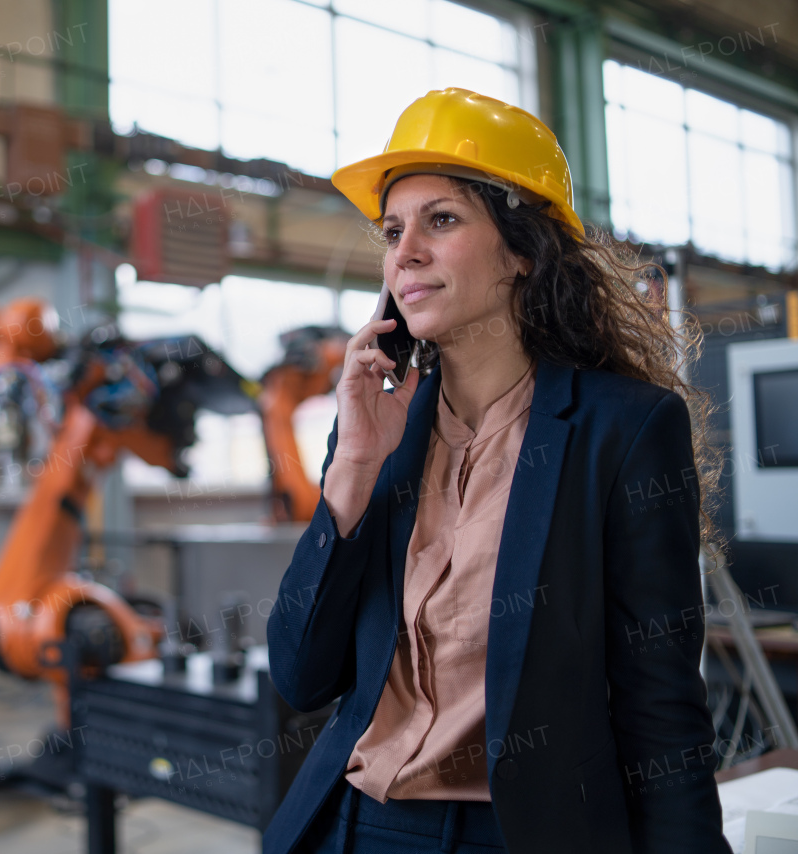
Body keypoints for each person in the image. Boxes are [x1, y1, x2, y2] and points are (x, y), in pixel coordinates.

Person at [264, 88, 731, 854]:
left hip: (519, 833)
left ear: (521, 252)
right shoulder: (380, 428)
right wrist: (351, 469)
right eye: (392, 231)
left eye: (440, 220)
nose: (405, 251)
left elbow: (662, 706)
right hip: (352, 825)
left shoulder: (625, 428)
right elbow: (302, 677)